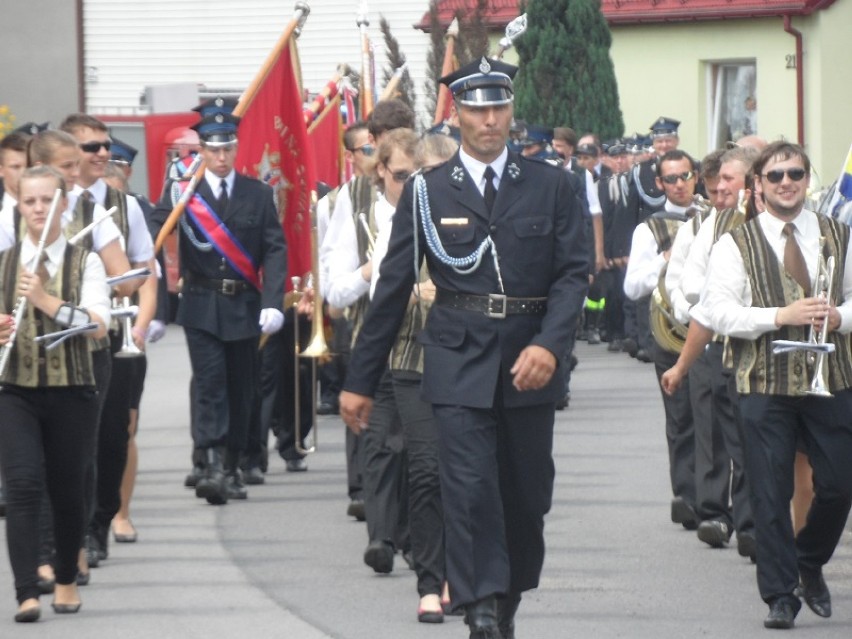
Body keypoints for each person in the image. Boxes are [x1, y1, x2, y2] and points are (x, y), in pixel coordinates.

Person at [339, 57, 589, 639]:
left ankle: (506, 595)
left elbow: (574, 275)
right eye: (477, 109)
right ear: (458, 114)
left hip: (529, 359)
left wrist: (552, 347)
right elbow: (393, 287)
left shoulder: (552, 185)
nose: (491, 120)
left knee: (527, 495)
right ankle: (479, 603)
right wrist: (358, 379)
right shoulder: (426, 193)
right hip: (456, 361)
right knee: (468, 487)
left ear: (510, 110)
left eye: (499, 106)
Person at [701, 141, 852, 629]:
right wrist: (779, 315)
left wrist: (840, 317)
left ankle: (808, 560)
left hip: (830, 378)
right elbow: (718, 310)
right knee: (769, 491)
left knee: (839, 483)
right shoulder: (734, 244)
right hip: (763, 382)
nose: (786, 182)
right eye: (775, 176)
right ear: (759, 186)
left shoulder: (841, 235)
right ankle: (780, 595)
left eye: (795, 174)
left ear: (808, 180)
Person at [151, 108, 287, 505]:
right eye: (213, 149)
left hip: (243, 304)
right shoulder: (184, 192)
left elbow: (275, 250)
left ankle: (233, 466)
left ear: (235, 148)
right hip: (201, 303)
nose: (222, 157)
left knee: (242, 388)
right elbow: (154, 233)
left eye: (227, 148)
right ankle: (209, 462)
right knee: (211, 385)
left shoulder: (257, 194)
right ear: (203, 151)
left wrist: (273, 301)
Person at [0, 166, 111, 622]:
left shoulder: (87, 261)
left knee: (67, 491)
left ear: (63, 205)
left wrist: (47, 302)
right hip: (15, 390)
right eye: (31, 202)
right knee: (22, 484)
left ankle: (65, 576)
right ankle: (27, 590)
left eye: (48, 200)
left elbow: (99, 326)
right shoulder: (4, 263)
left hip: (73, 391)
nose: (40, 209)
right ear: (19, 207)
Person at [320, 99, 416, 559]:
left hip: (423, 341)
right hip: (371, 340)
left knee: (418, 443)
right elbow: (334, 292)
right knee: (379, 442)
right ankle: (380, 534)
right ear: (376, 154)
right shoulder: (347, 202)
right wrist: (370, 272)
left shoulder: (436, 188)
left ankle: (415, 533)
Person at [59, 113, 157, 565]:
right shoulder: (41, 203)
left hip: (111, 336)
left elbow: (140, 272)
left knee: (113, 437)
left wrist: (106, 275)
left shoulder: (124, 205)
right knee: (71, 440)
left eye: (105, 145)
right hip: (60, 341)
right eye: (91, 147)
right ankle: (74, 535)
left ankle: (100, 521)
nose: (103, 154)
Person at [624, 149, 700, 529]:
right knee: (681, 416)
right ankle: (687, 496)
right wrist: (663, 260)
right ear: (659, 184)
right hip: (669, 334)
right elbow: (632, 286)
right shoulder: (648, 229)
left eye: (685, 176)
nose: (680, 184)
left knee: (716, 420)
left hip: (709, 332)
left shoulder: (712, 218)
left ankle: (716, 498)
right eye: (671, 179)